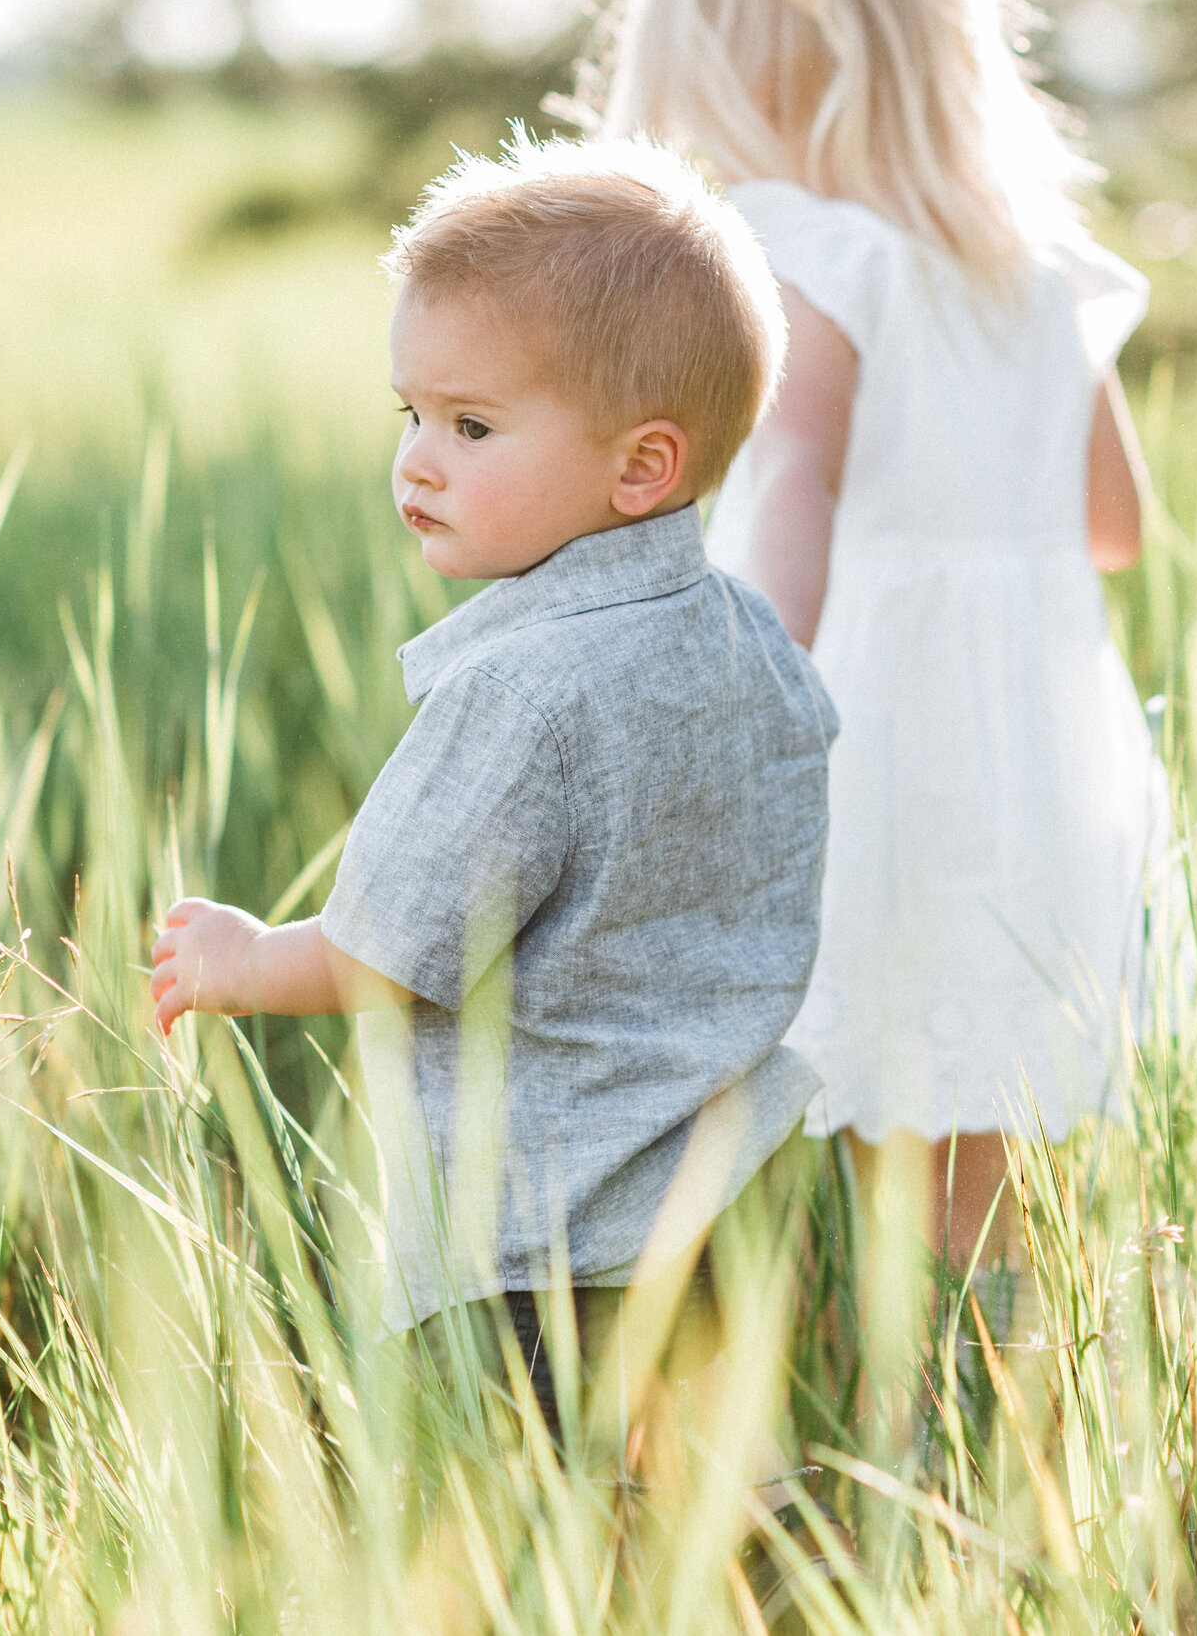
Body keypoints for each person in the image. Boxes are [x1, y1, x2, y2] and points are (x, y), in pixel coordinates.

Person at [149, 137, 838, 1489]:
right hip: (733, 1199)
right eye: (407, 412)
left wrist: (239, 957)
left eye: (472, 426)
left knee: (505, 1537)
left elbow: (381, 956)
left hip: (538, 1246)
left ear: (642, 466)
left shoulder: (519, 694)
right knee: (700, 1522)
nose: (418, 461)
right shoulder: (754, 641)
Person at [598, 0, 1178, 1383]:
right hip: (1039, 754)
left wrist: (744, 678)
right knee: (971, 1129)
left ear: (733, 81)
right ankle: (997, 1415)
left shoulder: (797, 247)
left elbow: (796, 473)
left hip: (883, 735)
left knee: (870, 1107)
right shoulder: (1035, 265)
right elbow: (1116, 526)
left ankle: (879, 1434)